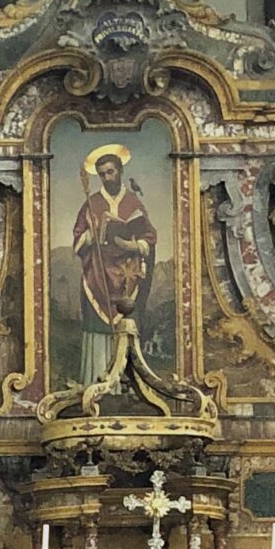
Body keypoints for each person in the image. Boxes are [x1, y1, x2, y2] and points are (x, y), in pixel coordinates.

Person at [71, 143, 157, 384]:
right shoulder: (91, 203)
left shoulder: (133, 202)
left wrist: (133, 245)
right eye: (102, 174)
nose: (107, 177)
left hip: (127, 277)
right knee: (98, 329)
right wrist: (92, 234)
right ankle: (96, 383)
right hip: (97, 275)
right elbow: (78, 239)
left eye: (111, 171)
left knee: (128, 327)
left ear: (120, 170)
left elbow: (148, 236)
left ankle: (127, 385)